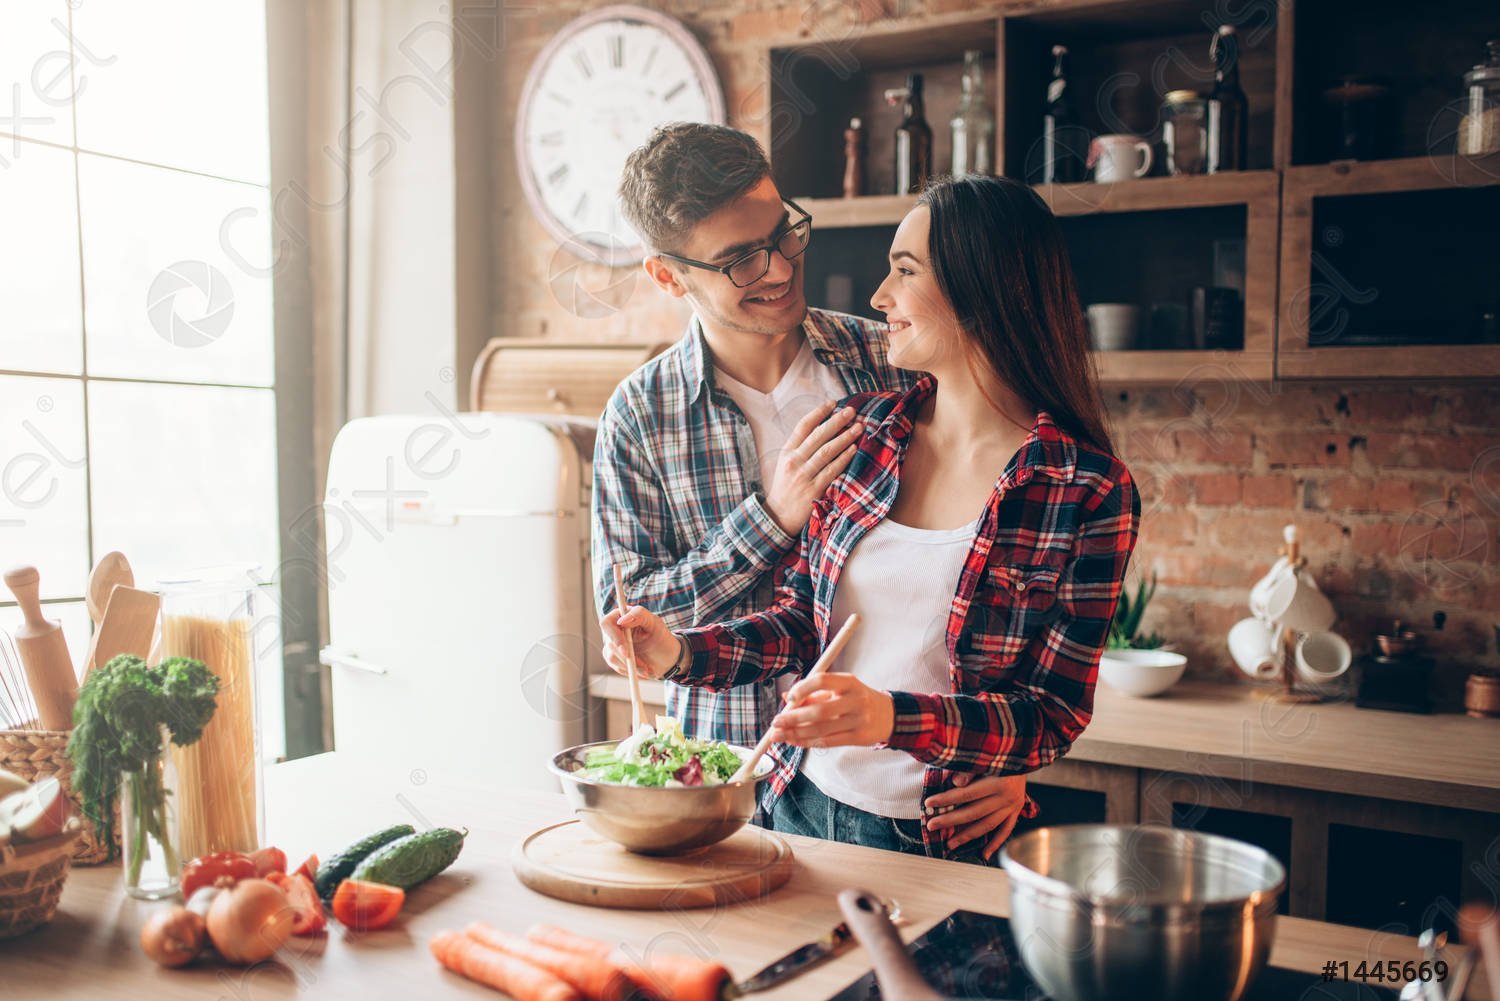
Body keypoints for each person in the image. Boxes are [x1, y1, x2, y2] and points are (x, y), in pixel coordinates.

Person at [600, 174, 1141, 863]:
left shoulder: (1086, 489)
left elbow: (1052, 712)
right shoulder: (869, 432)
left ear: (984, 288)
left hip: (938, 834)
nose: (879, 296)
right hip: (793, 804)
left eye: (904, 271)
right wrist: (680, 652)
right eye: (740, 256)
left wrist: (892, 719)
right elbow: (801, 623)